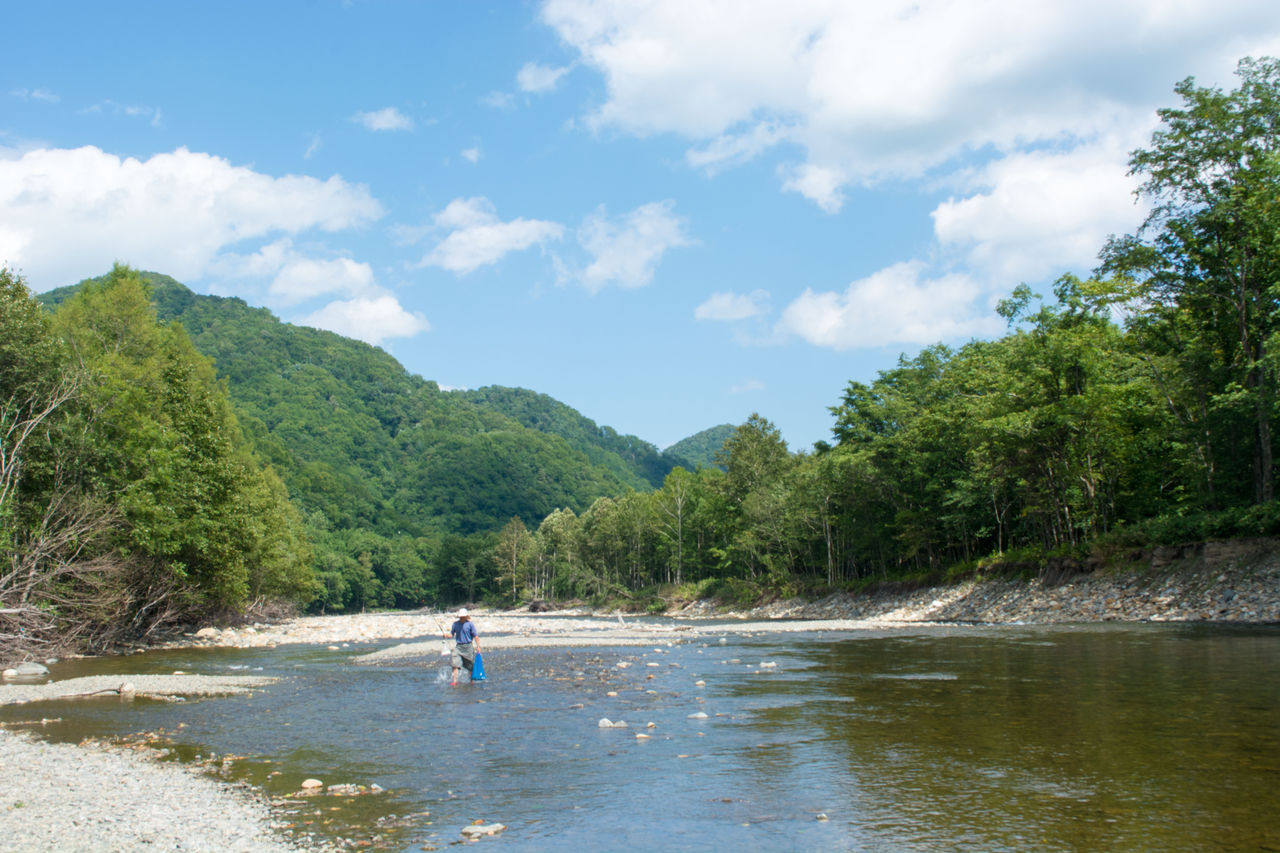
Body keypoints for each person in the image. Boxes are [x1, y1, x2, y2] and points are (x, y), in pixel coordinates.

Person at [444, 608, 479, 685]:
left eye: (463, 616)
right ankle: (454, 682)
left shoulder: (470, 624)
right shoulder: (455, 624)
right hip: (458, 647)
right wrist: (446, 635)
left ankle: (471, 681)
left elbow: (475, 636)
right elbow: (451, 634)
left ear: (466, 616)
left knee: (470, 666)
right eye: (461, 616)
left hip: (468, 647)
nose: (462, 618)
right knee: (454, 664)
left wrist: (478, 647)